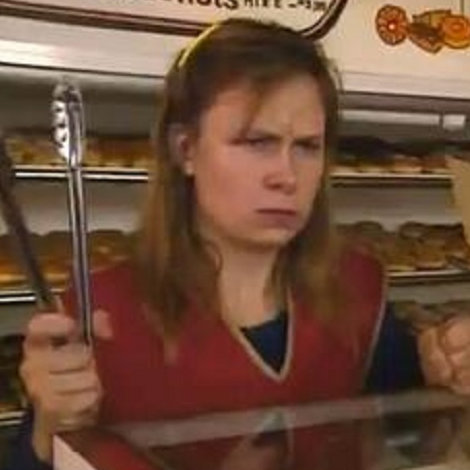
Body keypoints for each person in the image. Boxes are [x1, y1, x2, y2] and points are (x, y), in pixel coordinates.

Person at [4, 17, 470, 470]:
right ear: (185, 150)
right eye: (256, 142)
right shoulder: (101, 314)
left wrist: (443, 376)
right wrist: (50, 427)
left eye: (307, 146)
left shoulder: (357, 289)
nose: (286, 176)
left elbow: (413, 443)